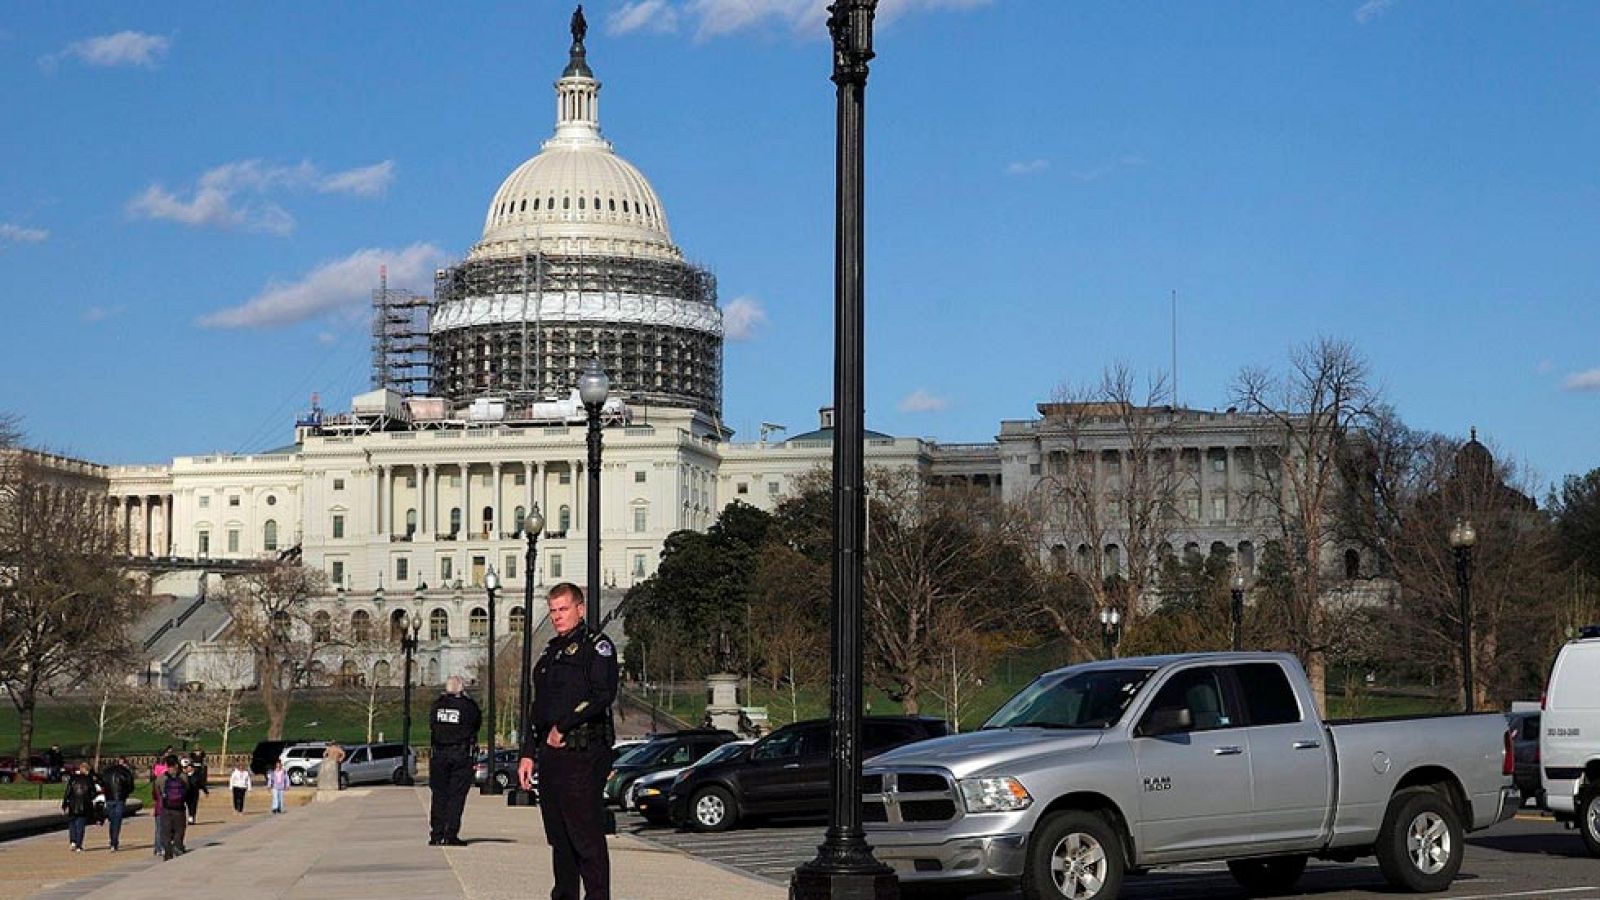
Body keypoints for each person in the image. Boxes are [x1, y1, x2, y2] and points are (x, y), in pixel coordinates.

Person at [518, 582, 619, 900]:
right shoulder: (550, 653)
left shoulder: (596, 647)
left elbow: (602, 694)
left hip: (583, 751)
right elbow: (538, 710)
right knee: (559, 838)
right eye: (553, 611)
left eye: (563, 609)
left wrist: (564, 726)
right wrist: (528, 753)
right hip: (552, 756)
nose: (557, 616)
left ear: (580, 609)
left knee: (585, 836)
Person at [427, 674, 481, 846]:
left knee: (439, 795)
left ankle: (437, 834)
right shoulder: (468, 706)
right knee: (456, 796)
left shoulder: (437, 705)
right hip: (460, 754)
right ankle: (450, 833)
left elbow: (432, 725)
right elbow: (476, 724)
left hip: (439, 753)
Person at [101, 755, 135, 851]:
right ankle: (114, 841)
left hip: (109, 797)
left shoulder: (107, 771)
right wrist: (126, 793)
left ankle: (112, 839)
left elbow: (102, 783)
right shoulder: (126, 772)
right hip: (120, 798)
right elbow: (131, 786)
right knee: (117, 820)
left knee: (112, 820)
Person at [61, 762, 97, 852]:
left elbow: (67, 792)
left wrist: (64, 804)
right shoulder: (89, 779)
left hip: (73, 804)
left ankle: (73, 841)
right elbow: (94, 792)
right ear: (86, 770)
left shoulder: (73, 778)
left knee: (72, 824)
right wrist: (89, 799)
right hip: (84, 805)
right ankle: (78, 845)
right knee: (80, 825)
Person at [157, 755, 189, 860]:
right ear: (176, 764)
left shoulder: (161, 778)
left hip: (166, 807)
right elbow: (187, 790)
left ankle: (167, 851)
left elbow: (157, 792)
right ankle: (178, 846)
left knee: (165, 831)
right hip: (179, 807)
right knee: (179, 829)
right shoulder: (183, 777)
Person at [150, 755, 171, 858]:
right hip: (166, 806)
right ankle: (162, 847)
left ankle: (158, 847)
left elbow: (154, 795)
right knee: (165, 828)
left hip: (159, 806)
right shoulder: (168, 779)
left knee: (159, 828)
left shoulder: (156, 781)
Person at [186, 747, 210, 823]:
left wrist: (205, 791)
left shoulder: (196, 775)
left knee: (194, 805)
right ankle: (190, 815)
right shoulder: (184, 776)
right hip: (187, 793)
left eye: (190, 767)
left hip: (195, 792)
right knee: (188, 805)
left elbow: (201, 784)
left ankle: (192, 816)